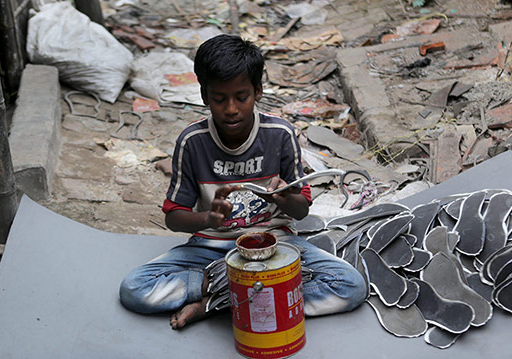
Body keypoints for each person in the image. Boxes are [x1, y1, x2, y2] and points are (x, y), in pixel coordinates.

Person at [119, 34, 366, 329]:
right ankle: (245, 296)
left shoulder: (280, 134)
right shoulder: (192, 142)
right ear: (204, 96)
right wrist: (207, 218)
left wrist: (284, 199)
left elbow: (301, 211)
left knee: (351, 285)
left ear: (258, 91)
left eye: (242, 96)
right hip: (210, 248)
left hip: (275, 245)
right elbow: (174, 218)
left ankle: (213, 304)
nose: (231, 109)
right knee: (134, 289)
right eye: (219, 99)